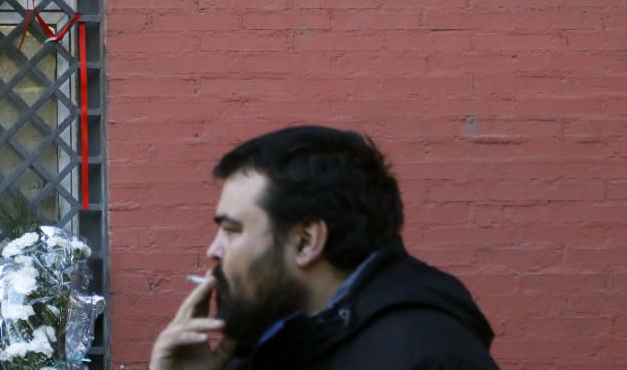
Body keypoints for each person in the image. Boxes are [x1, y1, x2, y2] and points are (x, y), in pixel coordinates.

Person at [149, 125, 500, 370]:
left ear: (306, 241)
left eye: (232, 230)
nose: (214, 250)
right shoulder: (271, 342)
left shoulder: (428, 357)